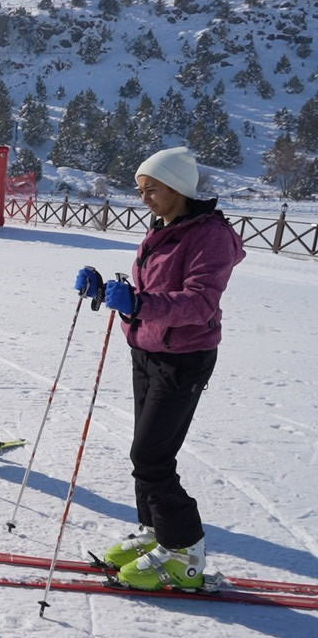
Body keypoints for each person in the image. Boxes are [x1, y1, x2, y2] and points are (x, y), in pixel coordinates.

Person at [75, 147, 244, 591]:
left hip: (184, 358)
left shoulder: (210, 235)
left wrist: (140, 303)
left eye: (152, 189)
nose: (144, 197)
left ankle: (184, 552)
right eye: (141, 189)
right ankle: (156, 534)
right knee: (145, 450)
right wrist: (110, 289)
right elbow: (152, 290)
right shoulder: (165, 227)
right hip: (146, 349)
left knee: (151, 456)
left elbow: (201, 301)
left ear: (178, 188)